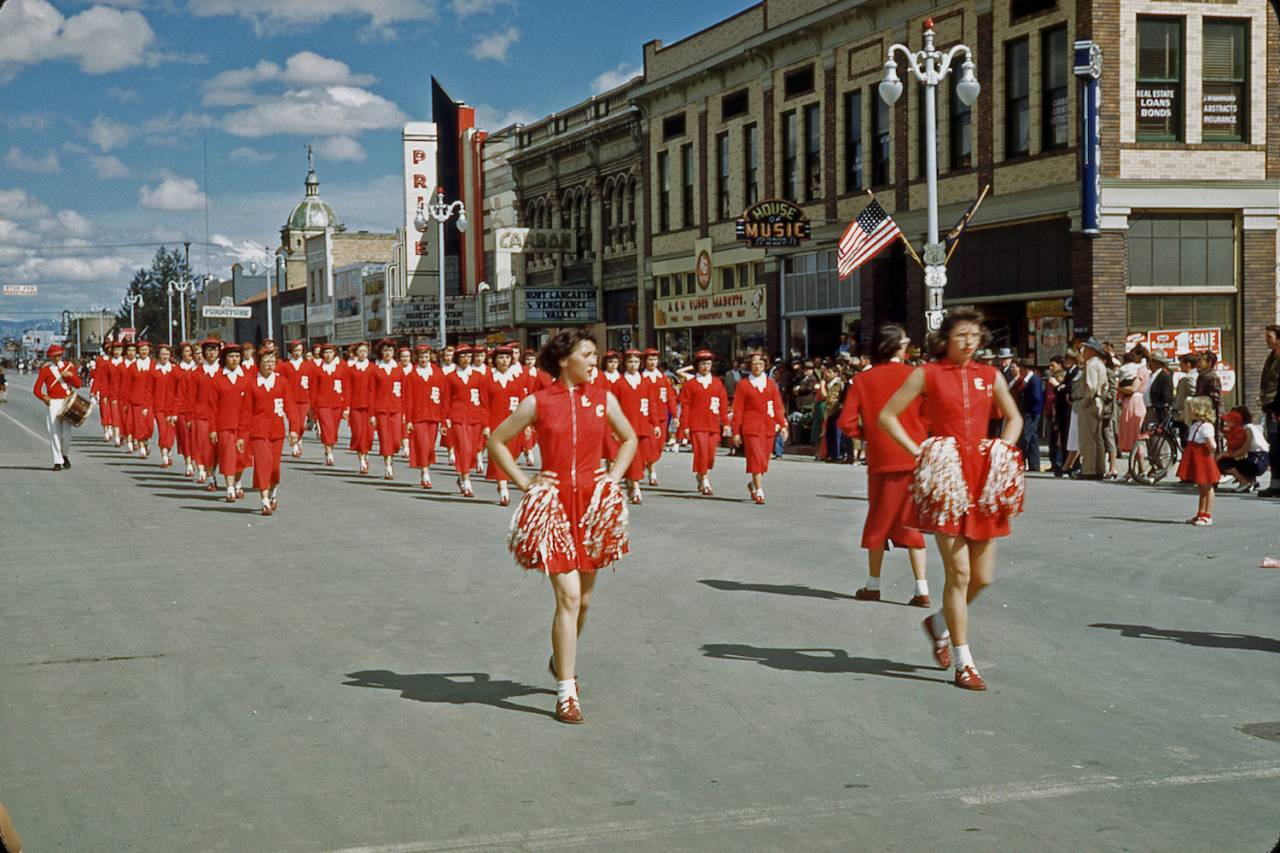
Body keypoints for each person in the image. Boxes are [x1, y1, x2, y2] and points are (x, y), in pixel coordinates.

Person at [487, 329, 638, 725]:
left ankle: (559, 658)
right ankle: (566, 693)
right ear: (564, 359)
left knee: (584, 600)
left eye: (595, 356)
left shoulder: (604, 398)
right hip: (553, 508)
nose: (595, 362)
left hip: (591, 509)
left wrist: (614, 477)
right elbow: (497, 441)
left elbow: (629, 439)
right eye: (588, 355)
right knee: (569, 598)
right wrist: (526, 483)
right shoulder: (537, 402)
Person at [879, 308, 1023, 691]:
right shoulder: (926, 374)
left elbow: (1014, 418)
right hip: (947, 479)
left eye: (975, 334)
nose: (969, 341)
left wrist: (1001, 452)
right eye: (961, 334)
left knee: (983, 577)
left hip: (984, 479)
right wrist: (922, 453)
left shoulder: (990, 375)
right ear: (946, 338)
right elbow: (888, 416)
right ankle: (963, 660)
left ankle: (939, 623)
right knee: (957, 574)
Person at [838, 324, 930, 607]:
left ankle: (873, 584)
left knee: (878, 520)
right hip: (913, 455)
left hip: (881, 460)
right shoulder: (916, 375)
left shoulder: (863, 380)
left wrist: (869, 436)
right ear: (898, 347)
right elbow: (930, 415)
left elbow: (846, 422)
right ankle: (921, 588)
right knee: (912, 521)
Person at [238, 348, 295, 515]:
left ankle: (272, 493)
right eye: (266, 362)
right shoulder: (252, 383)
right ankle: (264, 500)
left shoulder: (282, 382)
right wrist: (241, 435)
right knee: (263, 464)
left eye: (272, 362)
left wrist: (293, 429)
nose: (269, 365)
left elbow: (290, 407)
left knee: (274, 467)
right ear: (259, 364)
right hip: (259, 432)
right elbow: (245, 412)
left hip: (277, 432)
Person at [732, 351, 789, 505]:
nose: (757, 367)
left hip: (768, 427)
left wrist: (782, 425)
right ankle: (759, 490)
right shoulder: (743, 385)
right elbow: (738, 409)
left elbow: (777, 407)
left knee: (764, 461)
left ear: (765, 365)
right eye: (754, 364)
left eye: (760, 364)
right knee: (756, 458)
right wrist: (736, 431)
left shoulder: (771, 384)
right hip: (750, 428)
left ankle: (753, 483)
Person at [675, 350, 731, 495]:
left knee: (710, 455)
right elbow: (685, 406)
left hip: (713, 424)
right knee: (701, 451)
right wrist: (685, 425)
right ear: (697, 366)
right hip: (696, 424)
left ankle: (701, 473)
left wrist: (725, 423)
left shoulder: (717, 383)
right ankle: (705, 480)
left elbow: (723, 405)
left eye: (708, 363)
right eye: (702, 364)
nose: (705, 367)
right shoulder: (691, 384)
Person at [613, 349, 661, 503]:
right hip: (626, 428)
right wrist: (614, 428)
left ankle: (631, 480)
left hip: (643, 425)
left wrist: (655, 424)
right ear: (625, 364)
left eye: (636, 362)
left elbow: (652, 404)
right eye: (630, 362)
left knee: (642, 456)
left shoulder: (646, 383)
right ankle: (635, 487)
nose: (633, 365)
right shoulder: (619, 383)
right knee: (632, 457)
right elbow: (613, 407)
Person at [442, 345, 488, 497]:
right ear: (457, 358)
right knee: (464, 448)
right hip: (457, 418)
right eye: (463, 356)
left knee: (473, 451)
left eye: (469, 355)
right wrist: (445, 420)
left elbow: (484, 401)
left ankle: (462, 475)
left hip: (475, 418)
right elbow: (445, 400)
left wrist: (486, 423)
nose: (466, 358)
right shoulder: (450, 377)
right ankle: (467, 482)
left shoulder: (479, 377)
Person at [485, 345, 527, 505]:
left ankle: (503, 482)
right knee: (499, 455)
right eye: (501, 357)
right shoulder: (488, 381)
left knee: (512, 455)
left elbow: (524, 404)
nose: (504, 361)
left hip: (514, 424)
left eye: (507, 357)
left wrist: (527, 425)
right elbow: (483, 405)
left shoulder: (517, 380)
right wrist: (486, 426)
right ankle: (503, 489)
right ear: (495, 360)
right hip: (495, 424)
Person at [32, 344, 82, 470]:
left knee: (67, 433)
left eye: (59, 355)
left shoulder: (69, 367)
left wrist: (70, 376)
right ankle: (57, 461)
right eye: (54, 356)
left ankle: (64, 454)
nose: (57, 358)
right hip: (53, 402)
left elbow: (78, 384)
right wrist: (44, 397)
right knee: (54, 432)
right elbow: (36, 389)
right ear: (50, 357)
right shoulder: (46, 370)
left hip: (67, 401)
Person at [210, 344, 249, 502]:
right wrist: (212, 429)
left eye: (237, 357)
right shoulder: (217, 379)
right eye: (231, 356)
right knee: (227, 457)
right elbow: (212, 407)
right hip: (224, 425)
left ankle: (238, 481)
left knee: (242, 459)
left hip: (244, 426)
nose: (234, 360)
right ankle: (230, 488)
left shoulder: (247, 378)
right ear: (225, 359)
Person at [405, 344, 445, 489]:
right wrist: (408, 420)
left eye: (426, 356)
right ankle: (425, 472)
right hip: (418, 416)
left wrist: (443, 418)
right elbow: (408, 398)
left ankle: (426, 467)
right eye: (421, 357)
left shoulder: (437, 373)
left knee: (430, 447)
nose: (424, 359)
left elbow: (443, 396)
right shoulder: (412, 375)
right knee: (422, 444)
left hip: (433, 416)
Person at [1177, 396, 1219, 526]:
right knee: (1201, 488)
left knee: (1207, 488)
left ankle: (1207, 515)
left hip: (1203, 459)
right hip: (1197, 458)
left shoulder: (1206, 426)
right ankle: (1200, 513)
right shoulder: (1196, 424)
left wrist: (1211, 452)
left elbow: (1212, 444)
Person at [1071, 338, 1108, 480]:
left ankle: (1089, 470)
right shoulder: (1101, 364)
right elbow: (1104, 386)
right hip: (1099, 402)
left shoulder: (1091, 364)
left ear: (1092, 350)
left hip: (1090, 402)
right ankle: (1099, 468)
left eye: (1085, 349)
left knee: (1087, 439)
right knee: (1097, 438)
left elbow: (1091, 386)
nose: (1083, 352)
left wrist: (1085, 402)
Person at [370, 340, 405, 480]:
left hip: (396, 409)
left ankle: (392, 453)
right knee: (385, 438)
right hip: (381, 409)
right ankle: (388, 466)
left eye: (390, 351)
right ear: (381, 353)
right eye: (385, 351)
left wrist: (405, 412)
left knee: (396, 440)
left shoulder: (399, 370)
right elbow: (371, 392)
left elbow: (405, 392)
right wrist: (372, 414)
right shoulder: (376, 370)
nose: (387, 353)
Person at [641, 349, 676, 483]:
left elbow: (670, 397)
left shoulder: (663, 378)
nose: (652, 362)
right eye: (650, 359)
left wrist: (675, 415)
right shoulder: (642, 378)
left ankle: (648, 463)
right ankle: (652, 472)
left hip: (662, 417)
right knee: (650, 445)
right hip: (647, 417)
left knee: (658, 447)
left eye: (655, 359)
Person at [1216, 406, 1269, 493]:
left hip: (1257, 461)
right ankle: (1251, 480)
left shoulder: (1246, 429)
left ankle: (1244, 482)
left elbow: (1244, 448)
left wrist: (1225, 454)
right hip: (1261, 459)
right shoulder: (1251, 427)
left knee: (1223, 462)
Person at [313, 342, 348, 467]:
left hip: (337, 404)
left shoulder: (341, 369)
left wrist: (346, 406)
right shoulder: (317, 370)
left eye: (330, 352)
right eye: (326, 352)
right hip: (322, 404)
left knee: (333, 430)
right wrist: (314, 406)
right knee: (327, 427)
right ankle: (329, 453)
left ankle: (329, 448)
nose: (328, 355)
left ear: (334, 354)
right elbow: (314, 389)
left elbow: (346, 388)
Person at [277, 341, 313, 459]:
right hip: (290, 399)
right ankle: (295, 446)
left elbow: (313, 382)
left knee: (301, 424)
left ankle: (299, 440)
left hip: (303, 399)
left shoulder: (308, 365)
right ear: (291, 351)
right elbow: (280, 382)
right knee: (294, 422)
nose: (297, 353)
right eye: (295, 350)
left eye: (299, 350)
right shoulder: (285, 366)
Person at [345, 341, 375, 474]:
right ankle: (362, 460)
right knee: (357, 434)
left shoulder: (373, 368)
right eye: (360, 351)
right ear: (356, 353)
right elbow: (347, 389)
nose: (362, 353)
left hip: (370, 407)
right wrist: (346, 407)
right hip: (355, 406)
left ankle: (366, 453)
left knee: (368, 434)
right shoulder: (350, 370)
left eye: (365, 351)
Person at [1259, 326, 1280, 497]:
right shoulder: (1271, 356)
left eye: (1269, 337)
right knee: (1274, 446)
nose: (1266, 340)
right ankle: (1275, 484)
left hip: (1277, 407)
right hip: (1270, 406)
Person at [151, 343, 179, 468]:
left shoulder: (174, 370)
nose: (165, 356)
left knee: (170, 432)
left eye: (167, 354)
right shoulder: (153, 370)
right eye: (163, 354)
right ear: (158, 355)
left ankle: (169, 451)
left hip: (172, 407)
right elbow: (149, 389)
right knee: (163, 431)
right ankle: (164, 456)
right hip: (158, 406)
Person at [130, 340, 156, 460]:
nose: (143, 352)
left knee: (149, 425)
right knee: (139, 425)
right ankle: (141, 448)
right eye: (141, 350)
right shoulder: (133, 366)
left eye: (145, 349)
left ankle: (146, 440)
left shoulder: (154, 365)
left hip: (150, 399)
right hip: (137, 400)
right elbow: (127, 385)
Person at [1016, 358, 1043, 472]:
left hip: (1031, 413)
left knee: (1025, 438)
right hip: (1028, 412)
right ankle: (1034, 465)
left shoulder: (1034, 380)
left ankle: (1021, 462)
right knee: (1032, 439)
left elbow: (1036, 397)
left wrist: (1026, 403)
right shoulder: (1027, 380)